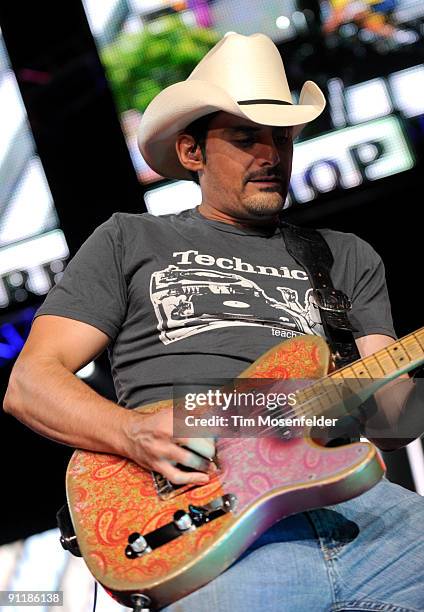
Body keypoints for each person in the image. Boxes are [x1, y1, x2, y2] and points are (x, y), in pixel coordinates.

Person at [4, 32, 424, 611]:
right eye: (246, 137)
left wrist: (405, 387)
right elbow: (30, 383)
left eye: (281, 137)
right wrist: (131, 433)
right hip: (200, 505)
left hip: (355, 505)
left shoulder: (346, 255)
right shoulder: (130, 239)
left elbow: (396, 422)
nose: (270, 155)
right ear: (192, 152)